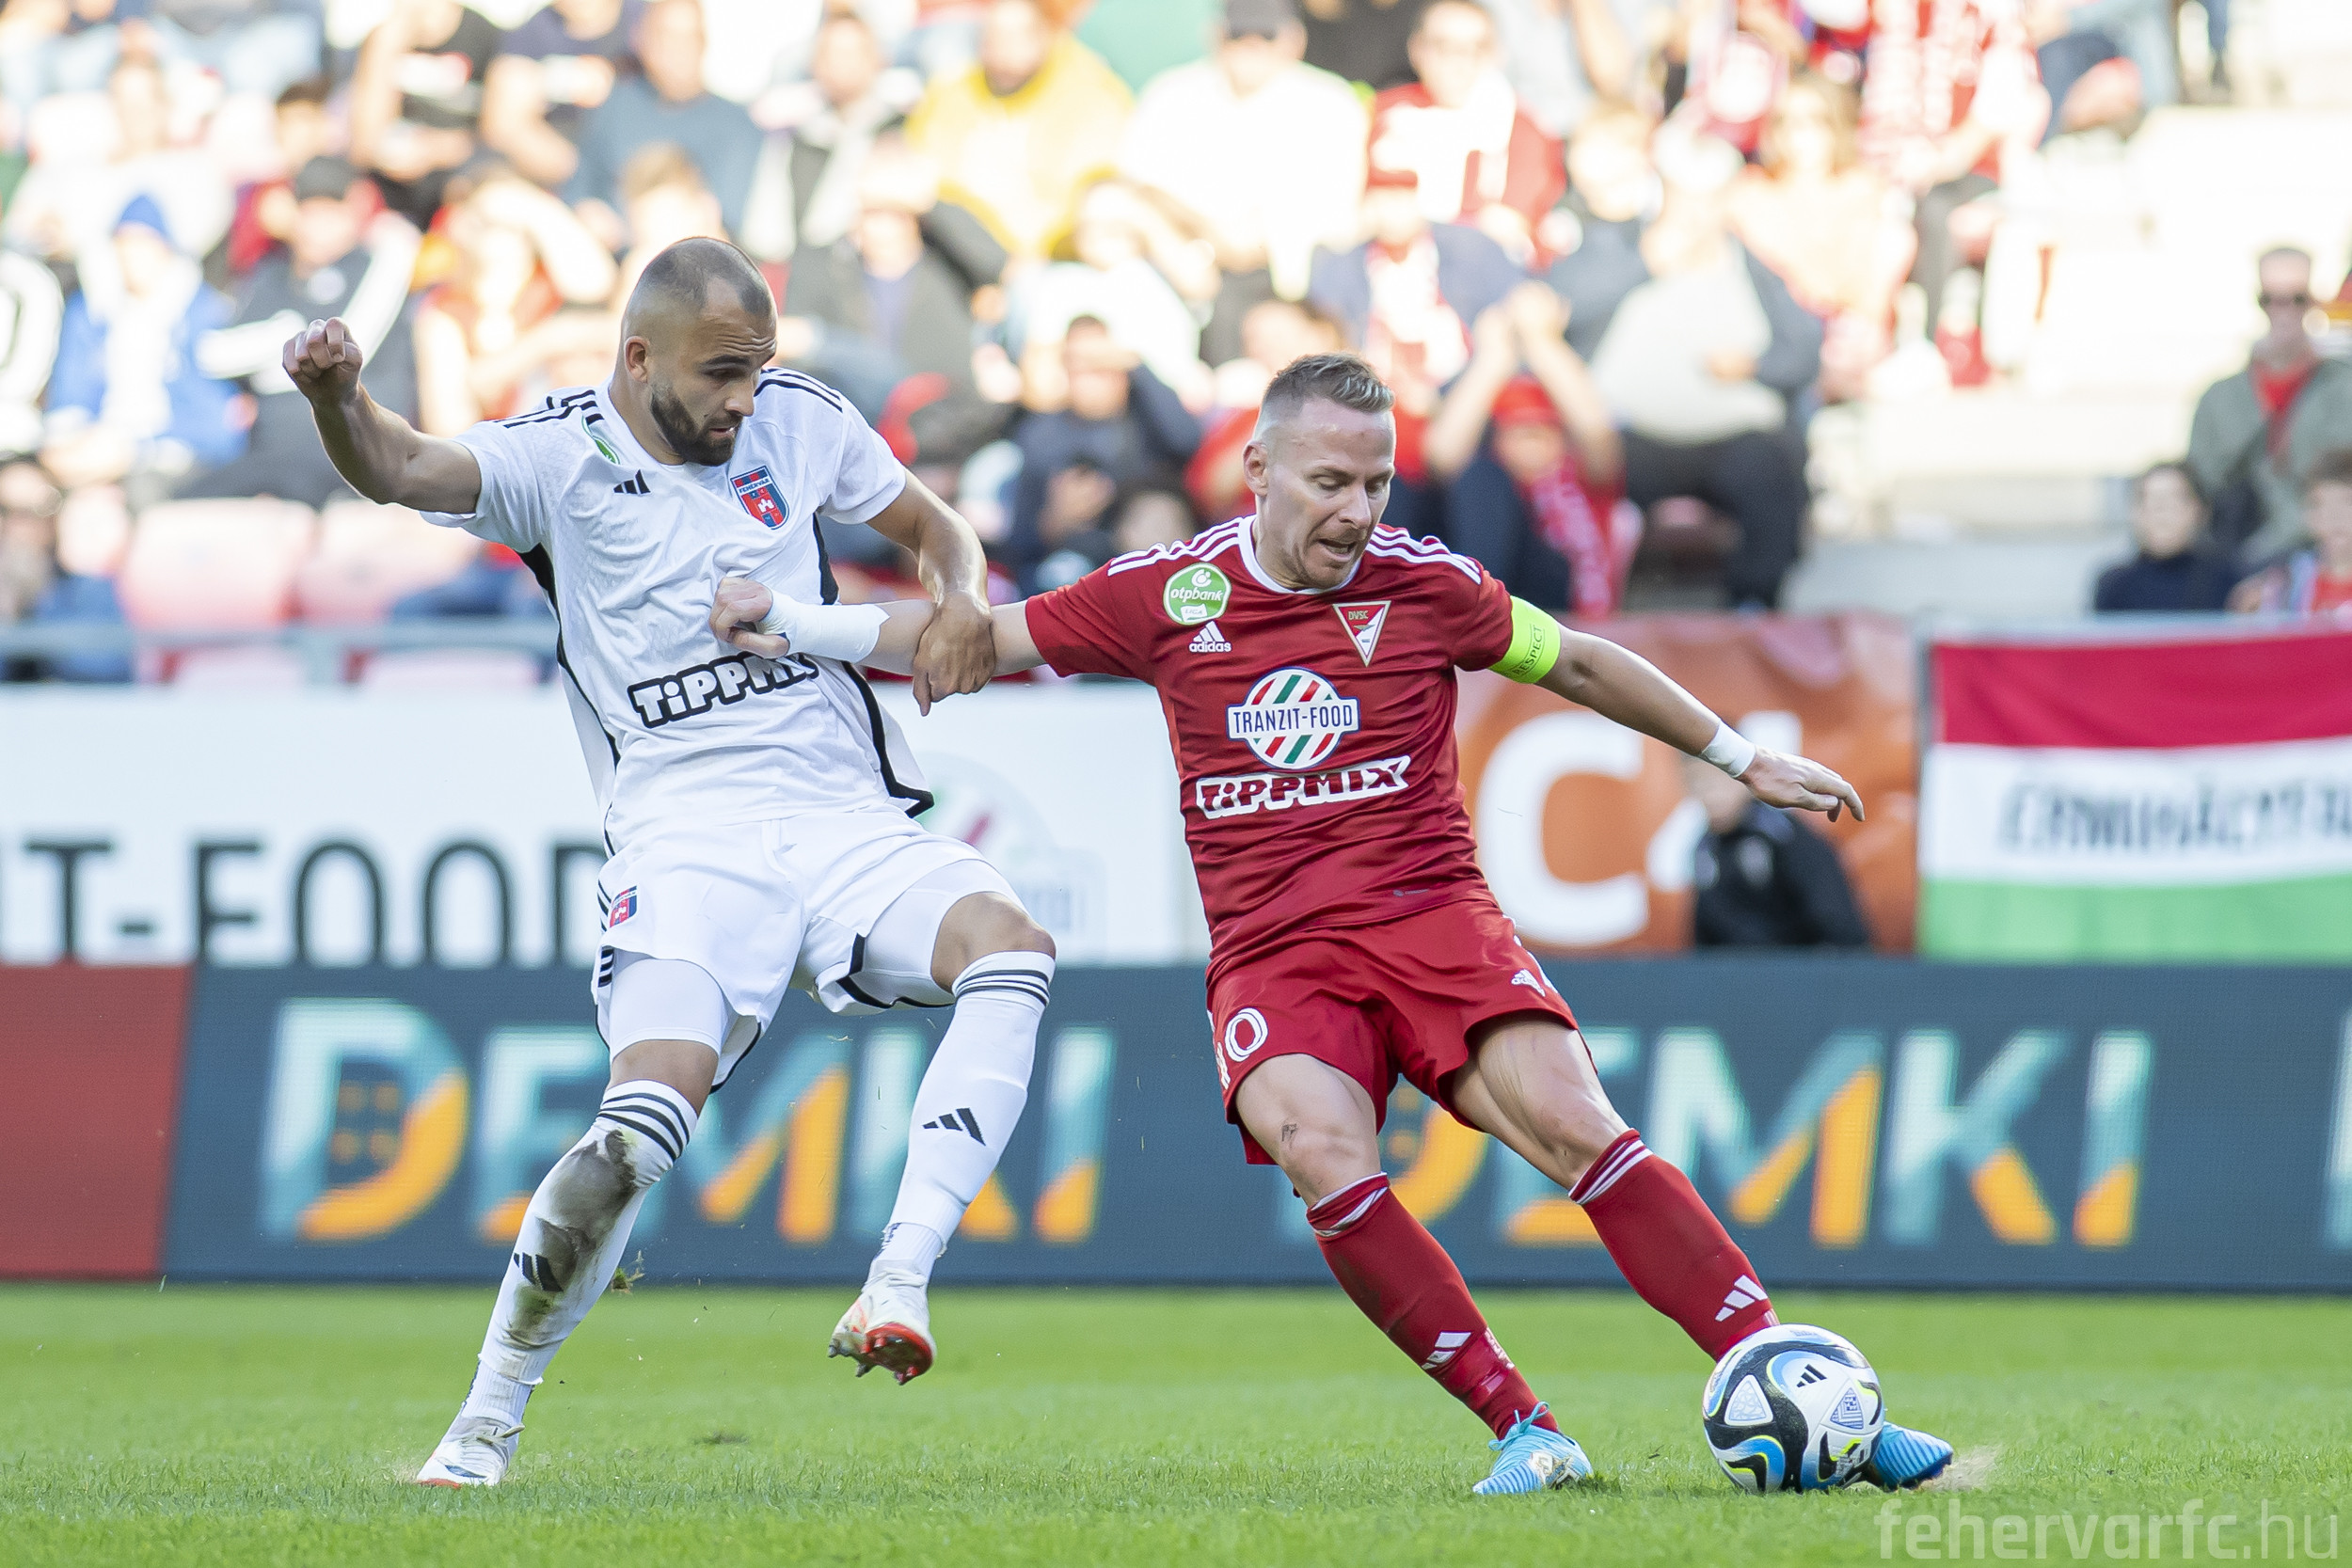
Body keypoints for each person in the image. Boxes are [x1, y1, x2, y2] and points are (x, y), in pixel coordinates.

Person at [712, 351, 1953, 1497]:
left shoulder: (1429, 583)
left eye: (1376, 483)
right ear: (1257, 470)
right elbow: (978, 637)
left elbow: (1576, 659)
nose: (1357, 511)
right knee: (1318, 1146)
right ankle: (1525, 1428)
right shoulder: (1169, 591)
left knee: (1577, 1122)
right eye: (1329, 482)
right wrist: (797, 625)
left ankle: (1805, 1385)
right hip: (1274, 953)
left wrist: (1739, 754)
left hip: (1431, 916)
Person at [281, 236, 1057, 1487]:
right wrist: (337, 398)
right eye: (720, 374)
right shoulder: (556, 455)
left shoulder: (800, 419)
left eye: (757, 368)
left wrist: (962, 594)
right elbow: (403, 464)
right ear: (639, 358)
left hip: (841, 811)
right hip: (685, 834)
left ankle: (898, 1277)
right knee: (637, 1133)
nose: (745, 398)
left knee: (1011, 949)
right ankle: (485, 1418)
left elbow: (935, 528)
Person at [1565, 126, 1820, 609]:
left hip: (1733, 437)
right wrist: (1644, 264)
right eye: (1685, 197)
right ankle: (1587, 602)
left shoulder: (1753, 267)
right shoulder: (1619, 248)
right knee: (1577, 467)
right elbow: (1562, 308)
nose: (1696, 213)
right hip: (1629, 437)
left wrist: (1756, 366)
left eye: (1709, 198)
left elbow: (1806, 351)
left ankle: (1754, 605)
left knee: (1772, 468)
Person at [1115, 0, 1368, 341]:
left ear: (1294, 40)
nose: (1252, 44)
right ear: (1216, 35)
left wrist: (1251, 242)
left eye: (1266, 34)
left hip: (1296, 286)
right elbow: (1130, 188)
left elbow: (1338, 218)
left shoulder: (1332, 104)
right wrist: (1192, 240)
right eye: (1239, 33)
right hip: (1183, 273)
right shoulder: (1169, 95)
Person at [185, 157, 424, 506]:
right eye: (309, 211)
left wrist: (268, 366)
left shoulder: (377, 266)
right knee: (176, 502)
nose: (318, 226)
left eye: (331, 212)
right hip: (271, 459)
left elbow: (341, 351)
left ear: (354, 209)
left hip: (358, 459)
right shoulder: (272, 274)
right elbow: (212, 354)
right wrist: (286, 334)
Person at [1307, 164, 1522, 536]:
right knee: (1379, 480)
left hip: (1470, 398)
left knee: (1482, 479)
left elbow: (1515, 318)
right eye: (1382, 196)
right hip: (1387, 410)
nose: (1392, 209)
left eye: (1401, 195)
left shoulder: (1472, 251)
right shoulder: (1341, 269)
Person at [1422, 281, 1629, 614]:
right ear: (1498, 439)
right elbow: (1442, 455)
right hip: (1507, 597)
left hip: (1567, 611)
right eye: (1517, 431)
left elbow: (1595, 431)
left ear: (1564, 438)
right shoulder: (1492, 486)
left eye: (1542, 431)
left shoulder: (1586, 477)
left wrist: (1541, 340)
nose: (1530, 442)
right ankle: (1481, 615)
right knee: (1480, 481)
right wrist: (1493, 357)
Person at [1727, 72, 1915, 404]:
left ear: (1835, 126)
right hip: (1782, 325)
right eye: (1787, 121)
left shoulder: (1862, 186)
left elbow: (1857, 282)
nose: (1799, 133)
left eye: (1815, 121)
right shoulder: (1751, 192)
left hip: (1843, 324)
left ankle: (1841, 377)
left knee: (1895, 239)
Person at [42, 196, 245, 500]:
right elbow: (72, 390)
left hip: (169, 458)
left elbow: (218, 422)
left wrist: (134, 448)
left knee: (126, 497)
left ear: (165, 248)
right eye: (124, 248)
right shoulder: (93, 311)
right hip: (97, 446)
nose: (132, 259)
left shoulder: (204, 314)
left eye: (143, 246)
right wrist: (68, 441)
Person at [902, 0, 1133, 261]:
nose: (1004, 51)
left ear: (1047, 34)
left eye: (1018, 36)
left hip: (1055, 258)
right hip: (960, 253)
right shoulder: (952, 92)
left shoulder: (1090, 94)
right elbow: (924, 174)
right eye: (993, 37)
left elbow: (1085, 196)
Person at [1007, 315, 1200, 587]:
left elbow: (1188, 441)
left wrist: (1137, 366)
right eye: (1080, 370)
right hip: (1073, 566)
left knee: (1157, 519)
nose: (1090, 381)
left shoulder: (1146, 415)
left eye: (1101, 367)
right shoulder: (1041, 433)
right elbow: (1018, 542)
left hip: (1147, 558)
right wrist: (1056, 520)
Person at [1367, 0, 1565, 264]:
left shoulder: (1525, 132)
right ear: (1416, 49)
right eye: (1444, 46)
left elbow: (1510, 232)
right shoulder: (1385, 113)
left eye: (1476, 48)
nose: (1460, 61)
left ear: (1497, 54)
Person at [2186, 247, 2352, 564]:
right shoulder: (2219, 398)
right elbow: (2198, 488)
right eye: (2271, 299)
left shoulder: (2344, 389)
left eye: (2297, 299)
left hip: (2326, 558)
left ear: (2314, 301)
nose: (2284, 311)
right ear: (2258, 302)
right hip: (2236, 558)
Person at [566, 0, 760, 241]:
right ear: (642, 40)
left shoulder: (736, 125)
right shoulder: (616, 104)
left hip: (685, 254)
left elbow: (723, 222)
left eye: (689, 37)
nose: (678, 49)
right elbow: (579, 187)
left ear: (704, 43)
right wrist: (589, 214)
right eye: (666, 36)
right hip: (602, 252)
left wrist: (629, 230)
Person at [1682, 752, 1869, 947]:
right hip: (1738, 966)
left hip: (1800, 962)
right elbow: (1704, 937)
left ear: (1744, 778)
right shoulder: (1704, 850)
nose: (1710, 794)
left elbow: (1838, 923)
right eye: (1697, 782)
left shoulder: (1783, 834)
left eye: (1719, 779)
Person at [349, 0, 506, 227]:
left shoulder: (486, 36)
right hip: (390, 191)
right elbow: (364, 143)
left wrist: (432, 150)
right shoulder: (385, 39)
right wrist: (387, 48)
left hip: (457, 185)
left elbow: (496, 138)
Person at [480, 0, 641, 190]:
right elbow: (504, 125)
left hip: (640, 163)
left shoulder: (646, 19)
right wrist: (583, 176)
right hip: (564, 170)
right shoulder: (532, 32)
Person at [2090, 462, 2239, 613]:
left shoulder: (2229, 581)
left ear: (2200, 510)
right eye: (2148, 500)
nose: (2160, 511)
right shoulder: (2114, 586)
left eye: (2173, 499)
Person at [2229, 449, 2352, 620]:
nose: (2334, 517)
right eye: (2320, 505)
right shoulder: (2284, 584)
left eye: (2347, 502)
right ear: (2307, 515)